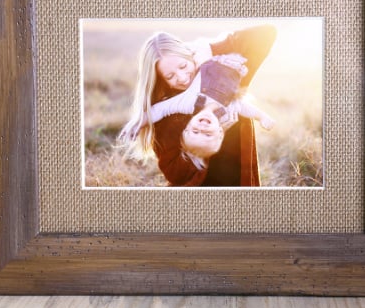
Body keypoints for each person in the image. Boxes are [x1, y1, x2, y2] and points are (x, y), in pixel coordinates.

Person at [119, 24, 277, 187]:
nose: (182, 78)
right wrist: (205, 144)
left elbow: (266, 33)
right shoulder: (176, 106)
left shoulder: (222, 72)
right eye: (170, 76)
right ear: (160, 79)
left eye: (183, 66)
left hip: (239, 182)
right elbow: (175, 175)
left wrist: (211, 49)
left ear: (191, 55)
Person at [130, 53, 275, 171]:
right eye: (207, 134)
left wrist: (137, 124)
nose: (202, 129)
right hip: (234, 62)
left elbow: (159, 110)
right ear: (220, 132)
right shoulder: (228, 111)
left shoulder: (187, 104)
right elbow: (246, 108)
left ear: (186, 127)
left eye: (195, 132)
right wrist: (262, 116)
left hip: (206, 59)